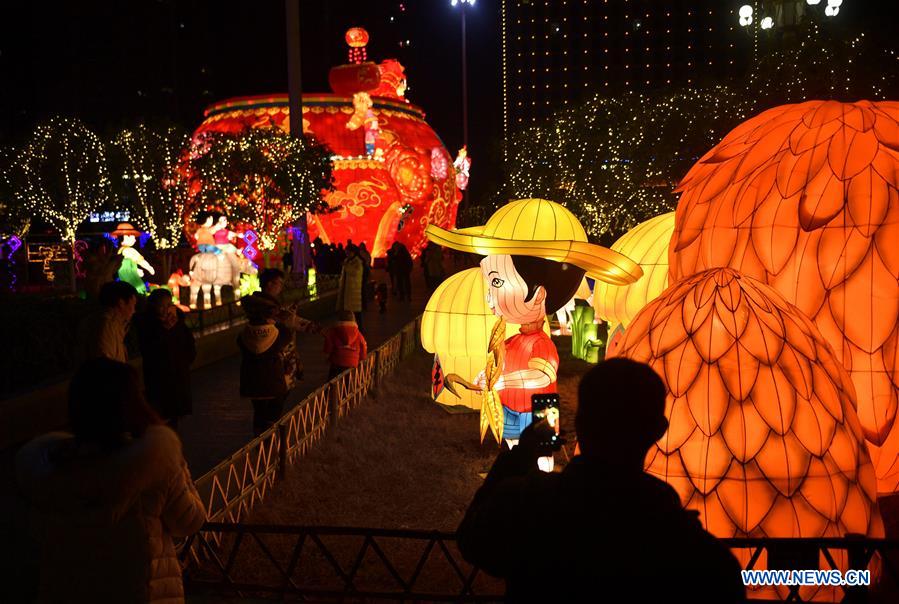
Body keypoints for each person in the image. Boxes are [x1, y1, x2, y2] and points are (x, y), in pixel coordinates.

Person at [457, 359, 745, 604]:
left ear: (579, 422)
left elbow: (472, 540)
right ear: (658, 430)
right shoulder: (677, 539)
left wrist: (516, 457)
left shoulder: (527, 504)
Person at [15, 358, 206, 603]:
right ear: (133, 404)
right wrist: (175, 460)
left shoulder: (46, 474)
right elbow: (190, 521)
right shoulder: (151, 464)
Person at [136, 289, 197, 429]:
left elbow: (189, 344)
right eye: (161, 306)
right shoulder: (148, 325)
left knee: (174, 418)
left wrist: (185, 361)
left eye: (169, 304)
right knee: (161, 417)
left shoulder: (178, 322)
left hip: (178, 374)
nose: (166, 309)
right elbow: (148, 349)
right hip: (158, 377)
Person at [238, 300, 298, 435]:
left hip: (252, 382)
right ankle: (272, 444)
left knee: (259, 412)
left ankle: (259, 444)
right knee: (274, 413)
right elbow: (287, 336)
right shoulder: (276, 333)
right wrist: (279, 324)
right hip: (273, 381)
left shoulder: (244, 333)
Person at [77, 280, 138, 363]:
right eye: (133, 304)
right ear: (121, 303)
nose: (134, 310)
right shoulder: (107, 325)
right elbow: (106, 366)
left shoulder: (116, 325)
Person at [323, 311, 368, 379]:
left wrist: (327, 356)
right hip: (352, 363)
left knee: (332, 380)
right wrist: (361, 358)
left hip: (337, 362)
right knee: (349, 381)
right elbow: (363, 346)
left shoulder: (333, 331)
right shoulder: (358, 334)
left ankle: (331, 388)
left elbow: (328, 346)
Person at [336, 244, 365, 329]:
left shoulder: (357, 262)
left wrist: (346, 266)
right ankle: (349, 328)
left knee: (356, 312)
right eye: (346, 252)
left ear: (353, 252)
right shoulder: (347, 260)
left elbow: (355, 273)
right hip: (346, 289)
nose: (347, 253)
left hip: (353, 290)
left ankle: (359, 329)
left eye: (348, 252)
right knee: (347, 312)